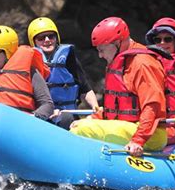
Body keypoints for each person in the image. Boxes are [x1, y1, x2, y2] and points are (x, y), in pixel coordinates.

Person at [70, 17, 167, 157]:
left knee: (81, 130)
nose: (100, 55)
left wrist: (138, 140)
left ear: (117, 43)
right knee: (79, 124)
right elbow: (115, 106)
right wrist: (96, 117)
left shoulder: (143, 64)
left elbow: (152, 106)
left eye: (102, 50)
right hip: (127, 126)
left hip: (151, 135)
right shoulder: (117, 60)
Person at [28, 17, 99, 129]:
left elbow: (85, 89)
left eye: (51, 36)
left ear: (57, 38)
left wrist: (96, 107)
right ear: (34, 41)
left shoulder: (68, 58)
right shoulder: (29, 61)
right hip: (42, 117)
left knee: (66, 118)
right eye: (41, 38)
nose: (47, 40)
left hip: (67, 115)